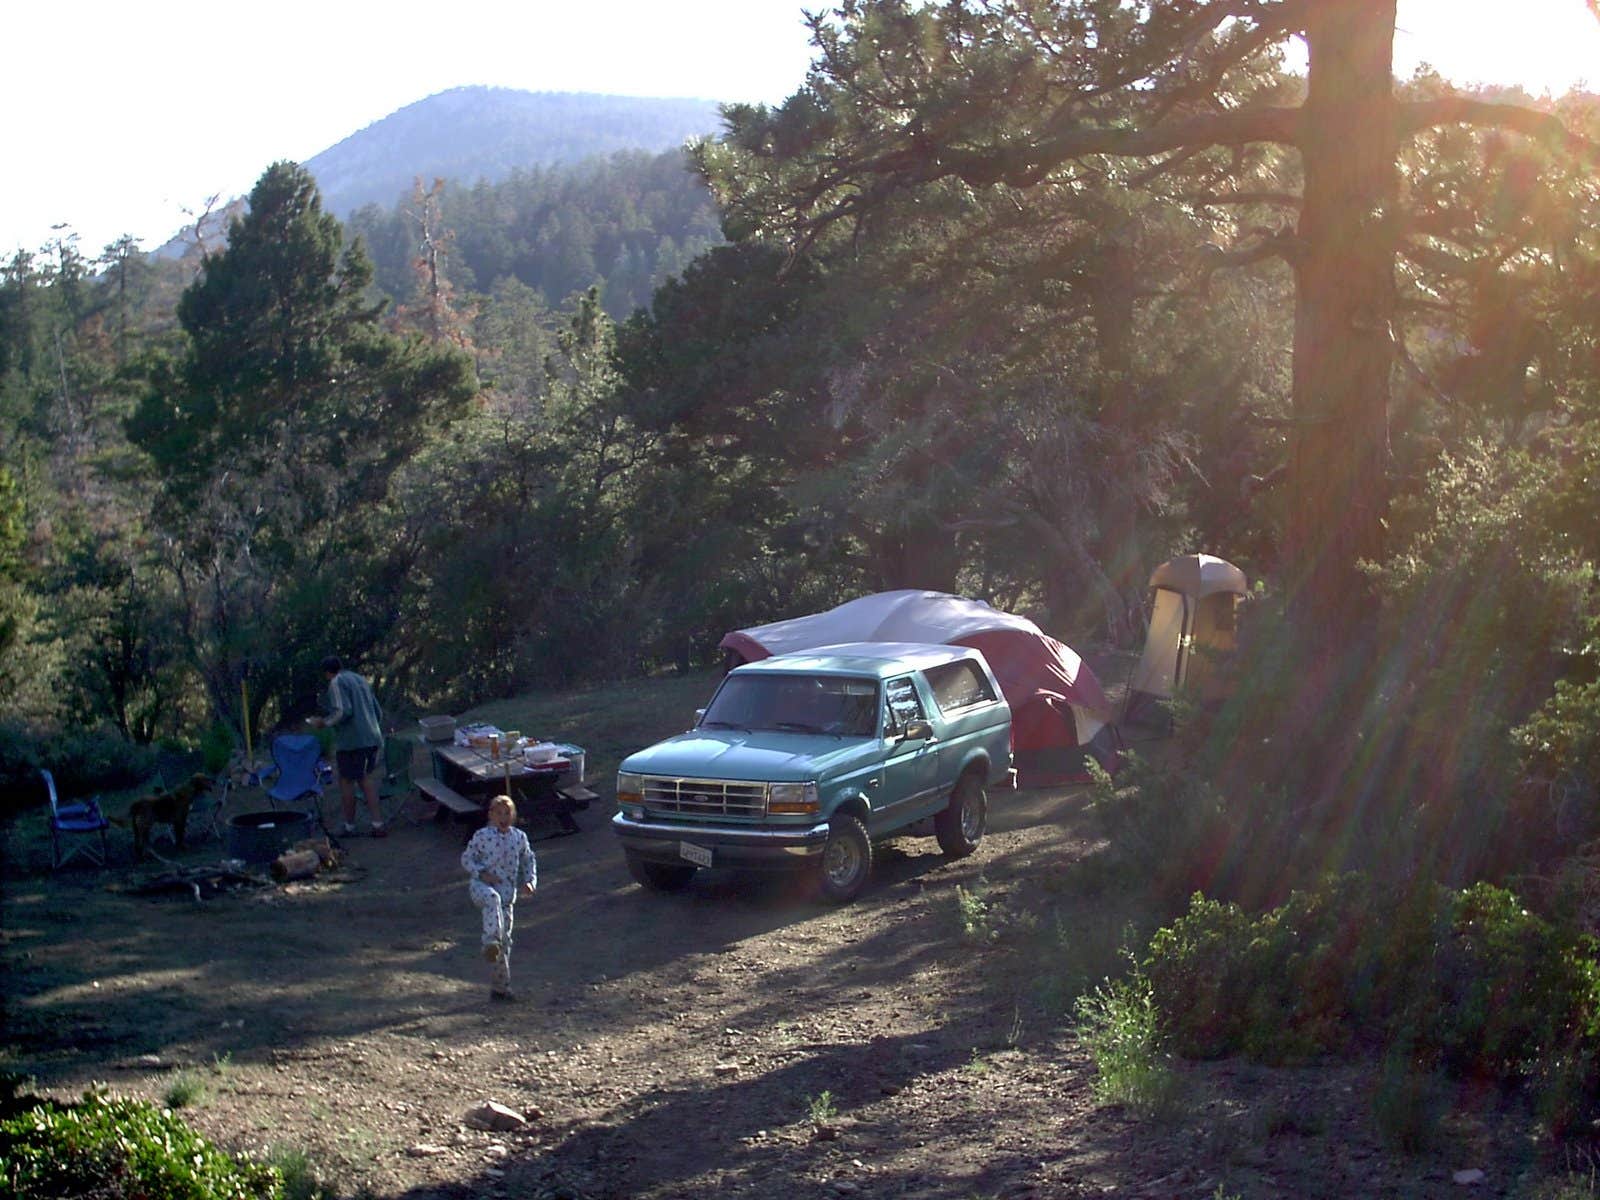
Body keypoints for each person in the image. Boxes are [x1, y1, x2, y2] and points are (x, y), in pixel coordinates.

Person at [461, 794, 537, 1001]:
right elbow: (467, 858)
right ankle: (489, 941)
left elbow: (529, 860)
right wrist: (480, 873)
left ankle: (500, 987)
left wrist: (530, 881)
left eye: (507, 813)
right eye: (499, 813)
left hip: (507, 897)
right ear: (491, 815)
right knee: (492, 900)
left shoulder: (519, 837)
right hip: (481, 888)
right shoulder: (482, 836)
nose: (503, 817)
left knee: (505, 942)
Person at [308, 655, 387, 838]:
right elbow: (378, 711)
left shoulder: (336, 682)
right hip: (372, 737)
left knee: (346, 781)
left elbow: (343, 711)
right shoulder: (360, 679)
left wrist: (324, 723)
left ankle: (349, 826)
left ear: (327, 673)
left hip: (352, 742)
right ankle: (377, 823)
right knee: (366, 779)